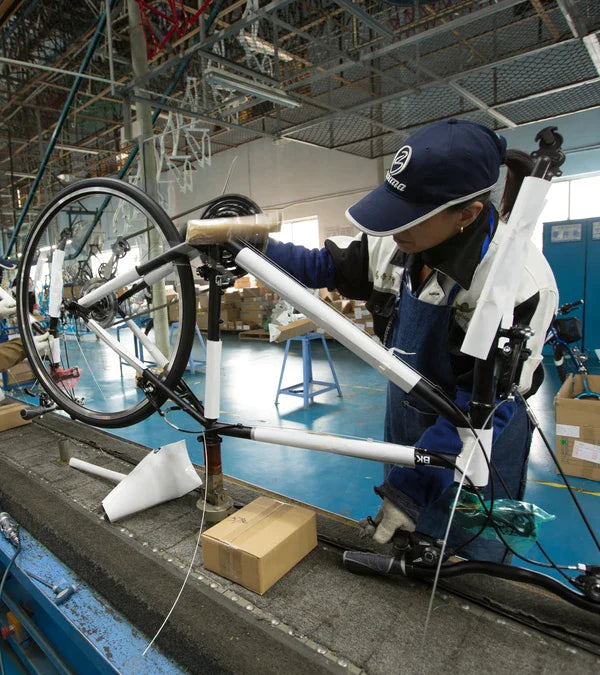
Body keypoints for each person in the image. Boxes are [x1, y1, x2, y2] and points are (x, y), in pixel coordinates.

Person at [263, 119, 558, 561]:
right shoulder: (399, 245)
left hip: (476, 434)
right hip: (408, 413)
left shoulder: (515, 286)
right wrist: (255, 246)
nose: (395, 227)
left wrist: (409, 492)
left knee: (467, 560)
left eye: (412, 217)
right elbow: (324, 265)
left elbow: (478, 410)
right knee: (408, 548)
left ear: (467, 214)